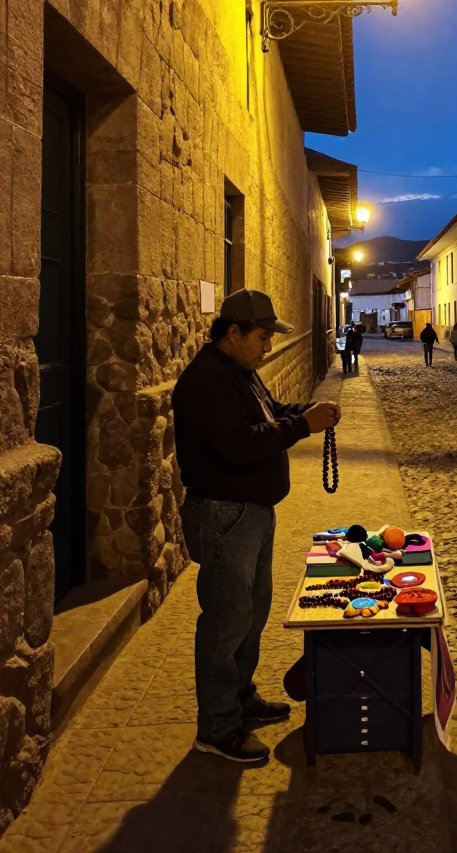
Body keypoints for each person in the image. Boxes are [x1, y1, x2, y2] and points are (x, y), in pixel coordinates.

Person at [173, 288, 341, 766]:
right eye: (263, 337)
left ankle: (240, 700)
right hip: (225, 516)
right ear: (233, 333)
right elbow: (240, 445)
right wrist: (302, 427)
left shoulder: (237, 373)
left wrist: (307, 414)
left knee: (250, 616)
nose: (268, 346)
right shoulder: (207, 380)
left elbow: (269, 415)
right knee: (226, 624)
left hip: (250, 514)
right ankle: (218, 726)